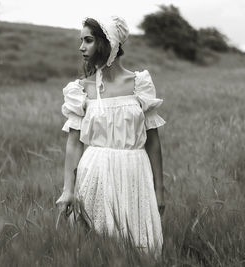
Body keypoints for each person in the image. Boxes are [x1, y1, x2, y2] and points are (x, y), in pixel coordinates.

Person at [56, 15, 166, 255]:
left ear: (109, 43)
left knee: (142, 248)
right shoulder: (81, 90)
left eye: (88, 40)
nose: (81, 47)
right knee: (98, 247)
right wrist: (68, 189)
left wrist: (159, 189)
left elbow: (153, 142)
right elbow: (73, 144)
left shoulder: (140, 84)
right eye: (81, 40)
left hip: (135, 172)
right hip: (94, 172)